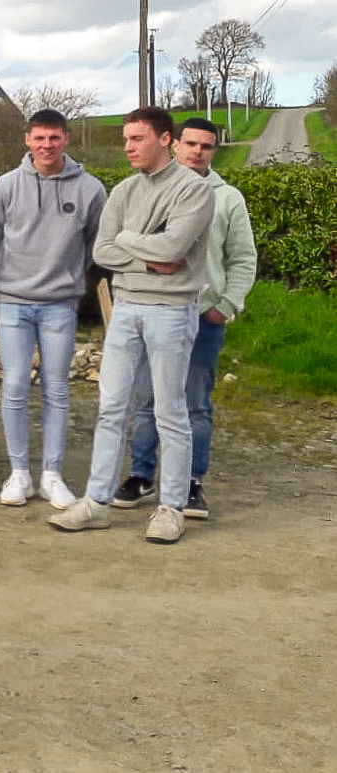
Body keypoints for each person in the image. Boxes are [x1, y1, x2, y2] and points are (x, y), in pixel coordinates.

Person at [50, 107, 214, 545]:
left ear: (165, 139)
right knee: (111, 406)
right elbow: (103, 250)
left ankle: (171, 507)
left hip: (172, 310)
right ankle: (97, 502)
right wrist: (148, 254)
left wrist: (131, 242)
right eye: (126, 138)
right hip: (125, 306)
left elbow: (176, 248)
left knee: (169, 409)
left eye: (137, 138)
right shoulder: (123, 191)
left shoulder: (193, 190)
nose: (127, 146)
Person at [114, 116, 255, 522]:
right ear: (173, 144)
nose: (197, 152)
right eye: (190, 143)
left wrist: (225, 305)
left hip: (202, 316)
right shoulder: (146, 191)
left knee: (194, 405)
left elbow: (243, 258)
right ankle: (142, 475)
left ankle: (192, 482)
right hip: (152, 310)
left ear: (214, 151)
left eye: (206, 146)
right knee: (147, 400)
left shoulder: (228, 199)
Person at [0, 109, 106, 509]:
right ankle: (19, 472)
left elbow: (95, 243)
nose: (46, 146)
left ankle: (52, 473)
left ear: (66, 139)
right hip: (13, 302)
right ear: (27, 140)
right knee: (16, 385)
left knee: (57, 389)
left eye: (54, 138)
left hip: (60, 304)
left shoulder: (91, 189)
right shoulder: (5, 186)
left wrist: (69, 279)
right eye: (39, 138)